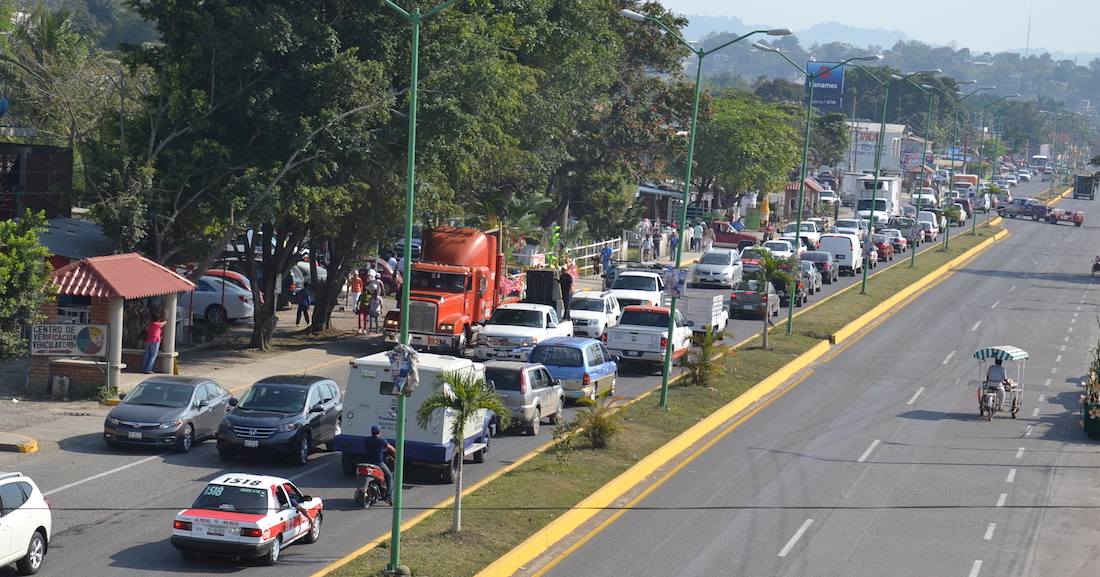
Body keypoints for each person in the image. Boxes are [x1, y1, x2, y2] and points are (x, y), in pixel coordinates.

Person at [363, 424, 395, 505]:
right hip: (378, 463)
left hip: (367, 462)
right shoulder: (382, 441)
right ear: (379, 432)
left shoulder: (366, 440)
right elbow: (391, 449)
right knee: (389, 476)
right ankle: (389, 497)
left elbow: (364, 448)